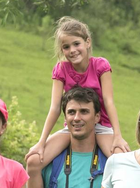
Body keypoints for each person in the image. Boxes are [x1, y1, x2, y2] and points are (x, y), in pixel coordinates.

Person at [27, 17, 129, 172]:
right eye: (66, 47)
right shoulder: (61, 69)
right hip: (74, 126)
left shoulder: (100, 65)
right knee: (34, 161)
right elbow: (55, 108)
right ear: (62, 50)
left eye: (76, 44)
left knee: (121, 161)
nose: (72, 50)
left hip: (101, 126)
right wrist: (41, 142)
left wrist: (117, 135)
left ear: (87, 42)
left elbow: (109, 102)